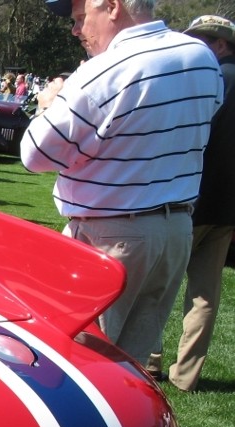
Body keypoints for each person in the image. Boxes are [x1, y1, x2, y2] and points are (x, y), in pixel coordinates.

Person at [21, 0, 222, 370]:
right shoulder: (201, 57)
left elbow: (35, 154)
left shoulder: (104, 69)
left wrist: (48, 104)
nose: (76, 30)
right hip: (174, 230)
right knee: (130, 366)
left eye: (82, 18)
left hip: (110, 236)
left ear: (112, 7)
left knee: (82, 363)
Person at [163, 15, 235, 391]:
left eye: (202, 40)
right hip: (228, 207)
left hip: (191, 198)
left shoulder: (212, 80)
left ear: (220, 45)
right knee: (205, 293)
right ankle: (186, 375)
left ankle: (148, 360)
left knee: (160, 282)